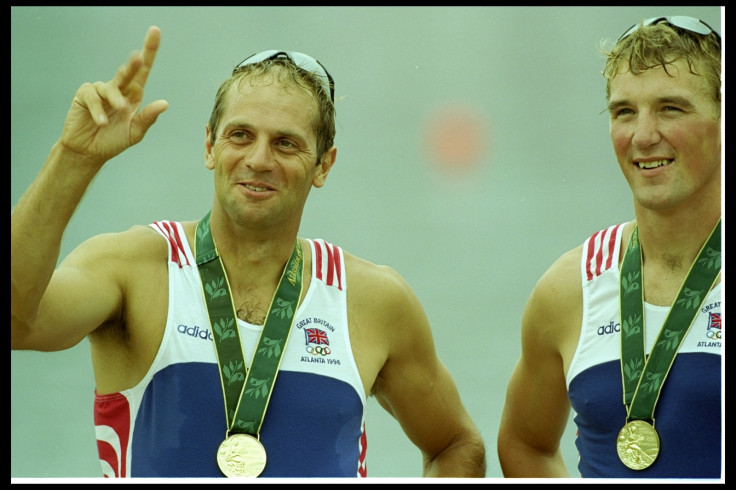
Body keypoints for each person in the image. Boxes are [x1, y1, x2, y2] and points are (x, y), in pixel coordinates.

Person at [10, 26, 486, 479]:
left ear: (323, 165)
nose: (259, 159)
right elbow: (17, 321)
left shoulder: (374, 302)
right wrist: (75, 157)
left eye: (286, 144)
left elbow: (456, 446)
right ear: (209, 145)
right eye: (241, 135)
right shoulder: (133, 270)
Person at [497, 15, 722, 479]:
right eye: (624, 112)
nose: (642, 136)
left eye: (671, 109)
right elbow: (525, 445)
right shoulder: (567, 290)